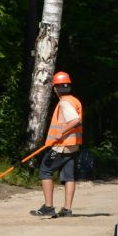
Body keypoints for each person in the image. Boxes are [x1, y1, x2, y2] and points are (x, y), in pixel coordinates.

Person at [32, 71, 83, 219]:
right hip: (73, 146)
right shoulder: (74, 100)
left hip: (61, 146)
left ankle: (48, 207)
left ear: (55, 88)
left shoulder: (65, 103)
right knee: (69, 177)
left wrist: (62, 131)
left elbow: (75, 120)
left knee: (45, 171)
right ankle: (67, 210)